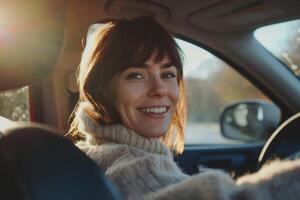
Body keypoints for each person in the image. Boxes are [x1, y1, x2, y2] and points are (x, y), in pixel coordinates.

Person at [67, 16, 300, 200]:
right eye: (136, 75)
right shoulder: (134, 166)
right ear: (101, 89)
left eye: (168, 74)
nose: (160, 89)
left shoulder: (90, 153)